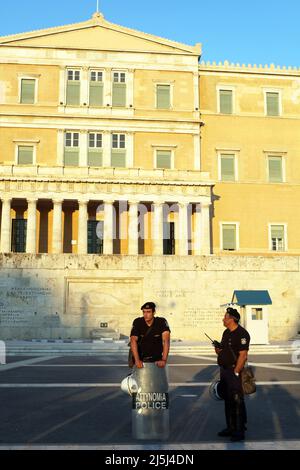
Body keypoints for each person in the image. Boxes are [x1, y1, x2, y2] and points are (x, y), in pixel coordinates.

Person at [215, 307, 250, 442]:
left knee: (237, 401)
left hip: (234, 371)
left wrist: (236, 372)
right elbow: (222, 351)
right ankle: (230, 427)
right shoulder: (226, 332)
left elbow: (243, 355)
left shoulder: (242, 334)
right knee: (228, 400)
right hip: (224, 370)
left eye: (225, 317)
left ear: (232, 319)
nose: (223, 319)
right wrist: (218, 349)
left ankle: (239, 431)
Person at [130, 302, 170, 368]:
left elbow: (166, 341)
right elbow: (133, 340)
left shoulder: (161, 322)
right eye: (144, 312)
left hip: (157, 360)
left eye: (148, 312)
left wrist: (164, 360)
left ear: (154, 312)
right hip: (141, 360)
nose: (145, 315)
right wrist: (137, 360)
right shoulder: (138, 322)